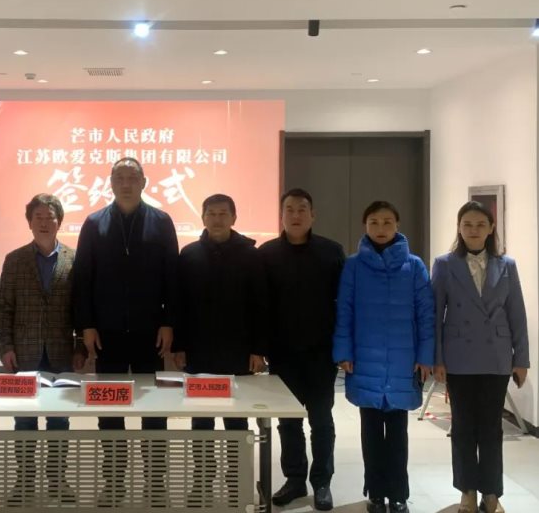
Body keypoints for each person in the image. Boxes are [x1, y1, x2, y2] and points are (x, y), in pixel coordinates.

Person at [74, 157, 178, 506]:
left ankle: (155, 482)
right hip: (108, 332)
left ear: (144, 182)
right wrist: (87, 325)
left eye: (133, 177)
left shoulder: (161, 221)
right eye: (119, 177)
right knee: (110, 408)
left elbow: (171, 276)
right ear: (111, 182)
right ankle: (114, 481)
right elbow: (83, 277)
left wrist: (168, 322)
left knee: (154, 409)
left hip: (150, 331)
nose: (126, 183)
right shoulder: (94, 223)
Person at [333, 201, 434, 513]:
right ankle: (376, 493)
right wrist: (343, 352)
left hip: (404, 362)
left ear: (397, 225)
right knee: (371, 433)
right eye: (374, 222)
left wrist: (425, 355)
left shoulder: (414, 266)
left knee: (399, 434)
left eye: (387, 222)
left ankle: (399, 494)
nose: (381, 228)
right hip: (365, 361)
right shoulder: (353, 266)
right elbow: (344, 310)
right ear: (365, 226)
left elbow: (426, 314)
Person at [432, 201, 529, 513]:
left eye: (480, 225)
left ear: (491, 229)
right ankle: (467, 491)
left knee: (491, 429)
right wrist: (437, 359)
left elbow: (517, 314)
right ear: (459, 228)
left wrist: (521, 359)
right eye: (467, 225)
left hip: (496, 356)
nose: (473, 230)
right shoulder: (444, 264)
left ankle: (491, 493)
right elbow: (435, 315)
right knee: (462, 428)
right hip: (458, 356)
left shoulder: (507, 265)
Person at [173, 194, 268, 505]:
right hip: (198, 351)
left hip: (237, 351)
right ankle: (202, 480)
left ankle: (236, 481)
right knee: (201, 420)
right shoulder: (188, 255)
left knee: (236, 420)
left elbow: (260, 305)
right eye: (211, 214)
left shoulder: (251, 255)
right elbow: (180, 306)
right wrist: (179, 346)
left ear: (233, 218)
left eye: (223, 213)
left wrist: (258, 349)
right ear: (202, 218)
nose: (217, 219)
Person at [258, 188, 344, 511]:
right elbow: (260, 305)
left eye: (302, 209)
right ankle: (295, 480)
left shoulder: (331, 252)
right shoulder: (266, 254)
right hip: (282, 354)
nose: (295, 215)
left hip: (321, 353)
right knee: (288, 422)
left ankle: (322, 482)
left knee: (321, 420)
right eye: (289, 209)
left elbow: (344, 304)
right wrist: (261, 348)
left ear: (313, 215)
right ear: (281, 215)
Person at [0, 193, 86, 503]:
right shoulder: (14, 259)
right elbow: (4, 308)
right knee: (24, 420)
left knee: (59, 420)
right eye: (38, 217)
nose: (44, 223)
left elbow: (81, 309)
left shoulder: (74, 259)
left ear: (60, 222)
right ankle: (24, 481)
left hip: (61, 353)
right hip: (24, 353)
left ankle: (58, 480)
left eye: (50, 217)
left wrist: (80, 348)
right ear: (29, 222)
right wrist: (5, 347)